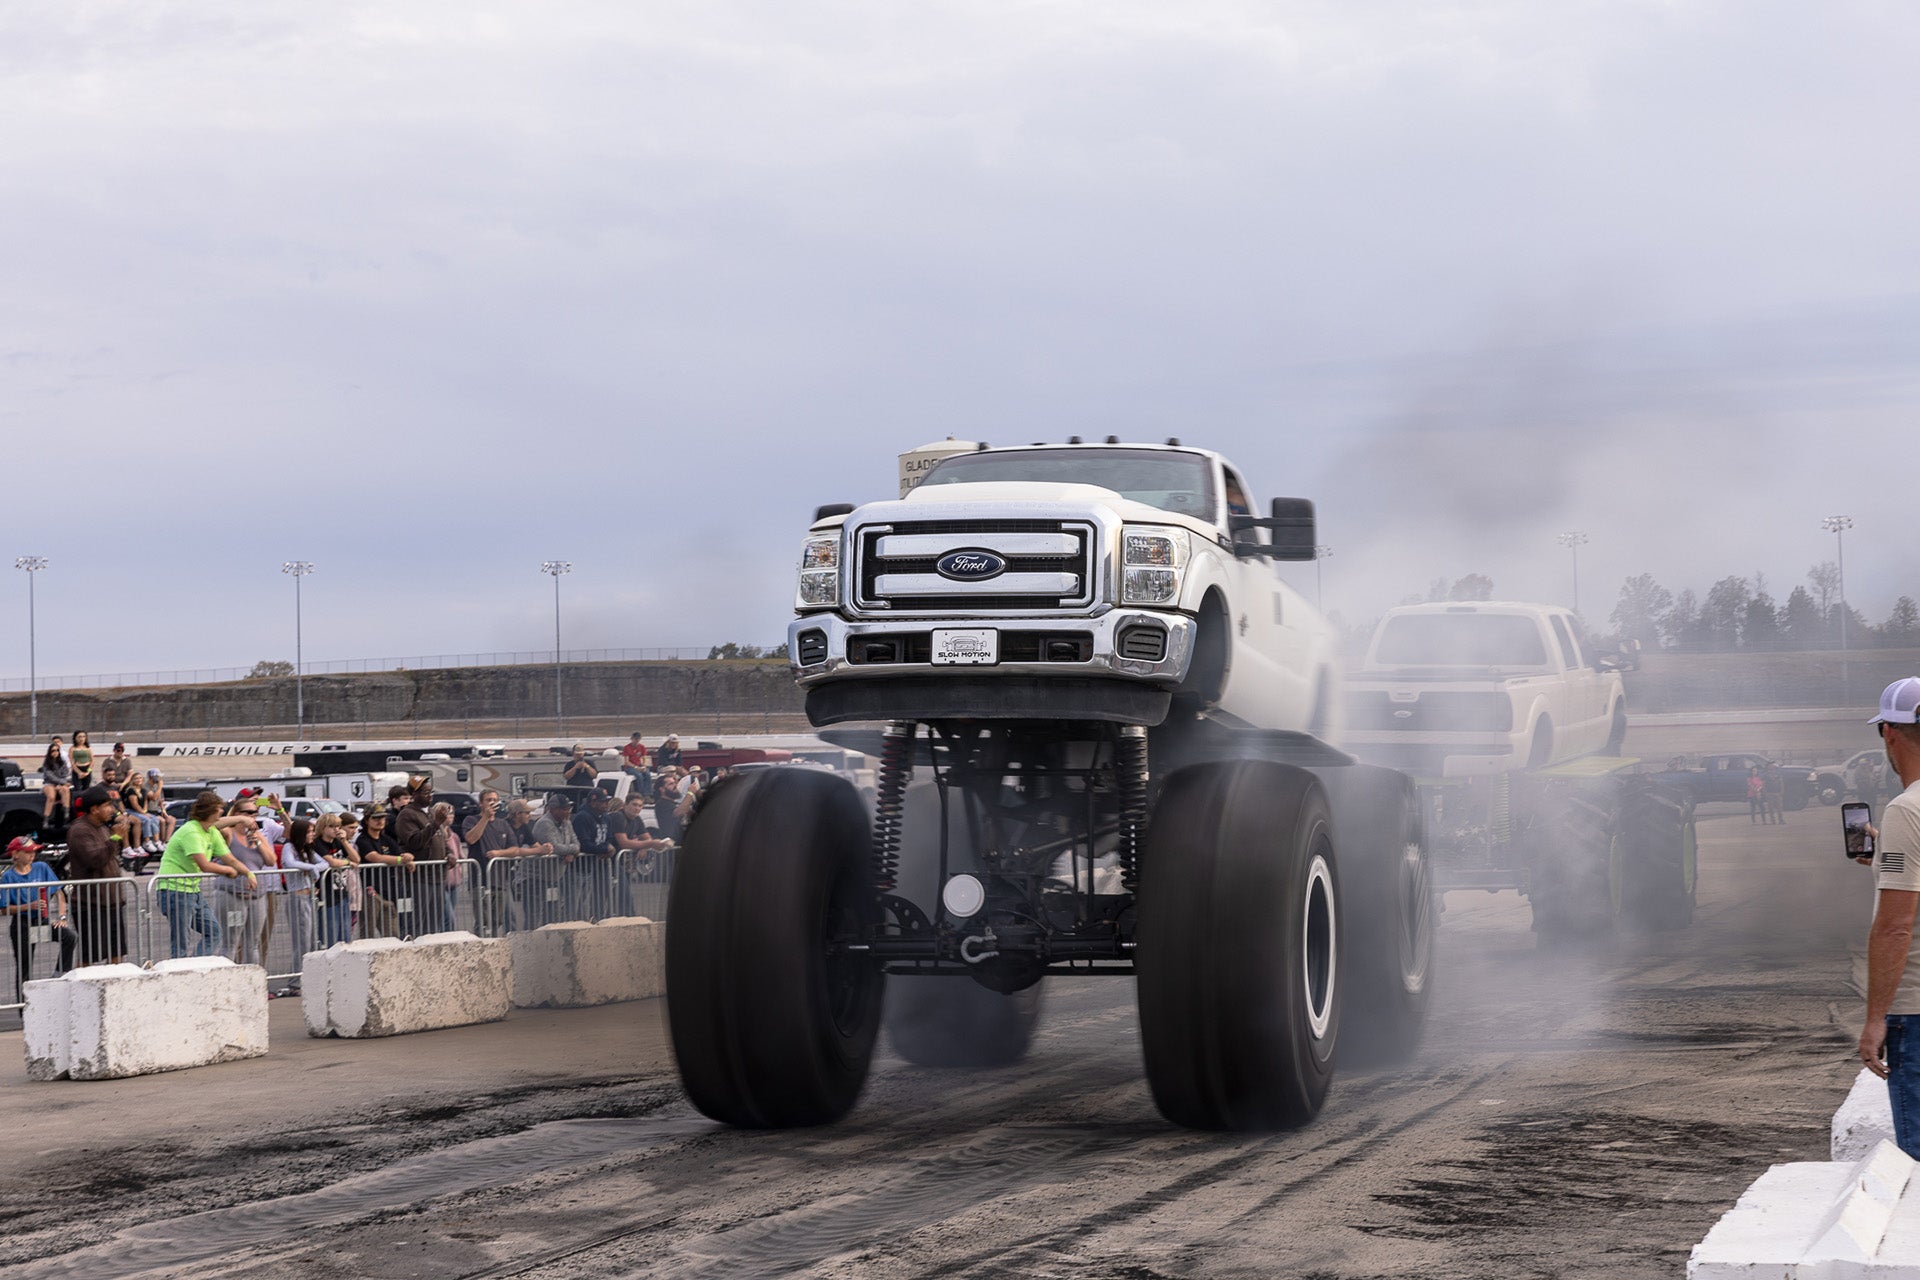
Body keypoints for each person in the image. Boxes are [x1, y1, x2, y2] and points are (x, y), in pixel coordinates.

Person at [1857, 678, 1920, 1157]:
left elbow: (1896, 926)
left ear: (1890, 734)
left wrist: (1876, 1018)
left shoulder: (1907, 810)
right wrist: (1886, 855)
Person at [154, 790, 252, 959]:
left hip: (192, 890)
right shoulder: (191, 831)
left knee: (214, 933)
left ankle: (194, 966)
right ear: (209, 811)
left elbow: (230, 859)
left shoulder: (211, 831)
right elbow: (204, 865)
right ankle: (181, 972)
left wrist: (248, 874)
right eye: (219, 809)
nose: (221, 812)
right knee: (181, 942)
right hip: (174, 890)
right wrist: (228, 871)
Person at [62, 786, 131, 966]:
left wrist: (116, 838)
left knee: (117, 952)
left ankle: (115, 988)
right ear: (94, 809)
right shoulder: (80, 830)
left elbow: (110, 858)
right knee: (89, 957)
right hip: (90, 904)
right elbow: (95, 860)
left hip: (112, 901)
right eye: (107, 805)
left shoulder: (103, 828)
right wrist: (115, 839)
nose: (112, 810)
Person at [2, 837, 78, 999]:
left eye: (34, 851)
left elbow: (59, 892)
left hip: (41, 921)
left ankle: (60, 973)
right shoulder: (8, 877)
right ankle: (24, 1008)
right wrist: (27, 907)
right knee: (24, 967)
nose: (32, 855)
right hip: (22, 924)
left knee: (69, 937)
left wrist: (62, 916)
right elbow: (3, 909)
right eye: (28, 852)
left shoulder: (41, 868)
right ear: (15, 854)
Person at [391, 776, 447, 934]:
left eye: (431, 792)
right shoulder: (406, 815)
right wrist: (435, 824)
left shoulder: (430, 813)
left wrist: (448, 854)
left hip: (436, 876)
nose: (429, 795)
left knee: (434, 923)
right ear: (414, 794)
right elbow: (414, 842)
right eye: (425, 792)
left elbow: (442, 839)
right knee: (414, 924)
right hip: (418, 879)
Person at [278, 817, 328, 960]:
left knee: (312, 939)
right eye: (309, 832)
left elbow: (324, 863)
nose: (312, 834)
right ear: (301, 834)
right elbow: (289, 862)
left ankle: (309, 973)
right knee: (302, 941)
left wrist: (313, 868)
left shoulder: (307, 850)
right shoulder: (289, 847)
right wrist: (311, 868)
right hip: (298, 897)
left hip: (309, 897)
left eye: (312, 831)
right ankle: (297, 977)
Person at [39, 739, 72, 824]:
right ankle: (46, 819)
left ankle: (66, 813)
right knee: (51, 796)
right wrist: (61, 782)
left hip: (60, 784)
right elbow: (50, 776)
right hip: (49, 784)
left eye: (57, 750)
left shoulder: (62, 762)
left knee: (65, 790)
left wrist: (61, 784)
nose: (55, 752)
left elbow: (66, 773)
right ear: (49, 752)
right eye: (53, 750)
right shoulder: (46, 763)